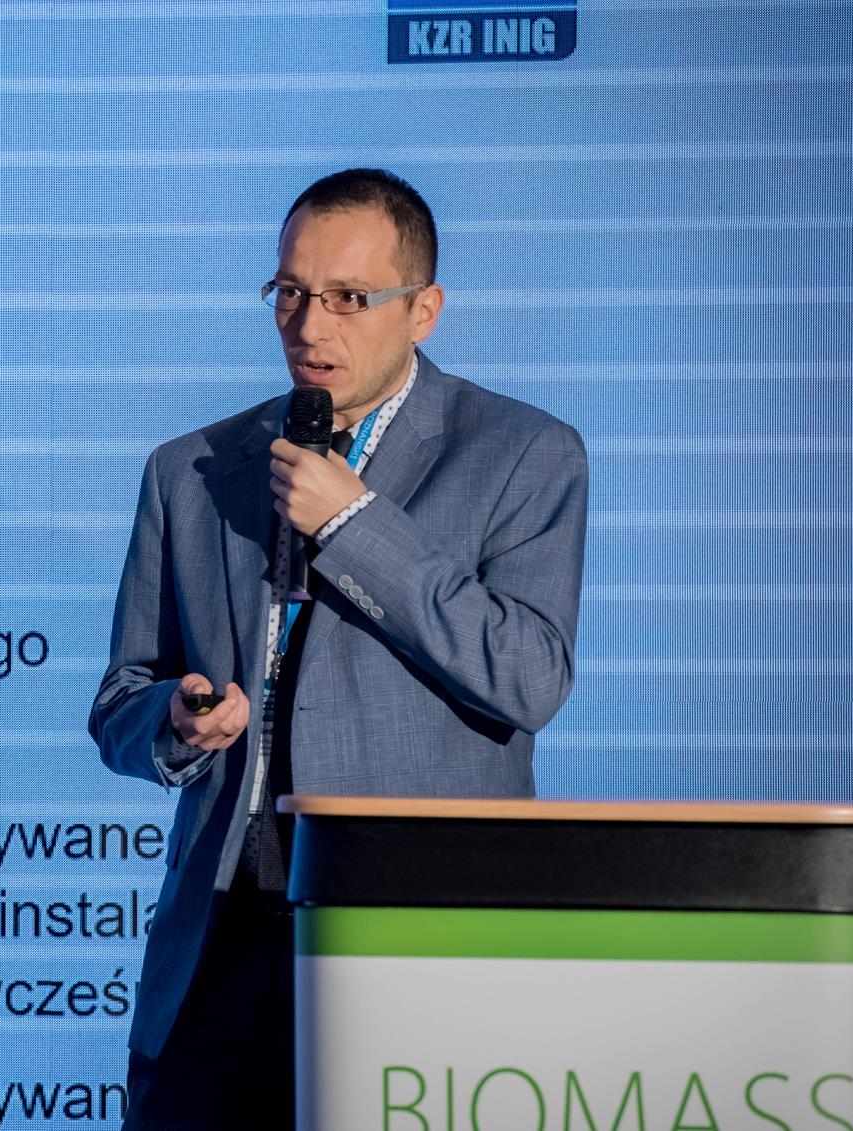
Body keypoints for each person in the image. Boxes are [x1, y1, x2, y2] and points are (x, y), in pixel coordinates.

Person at [90, 168, 588, 1128]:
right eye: (290, 291)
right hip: (221, 942)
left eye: (349, 298)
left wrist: (354, 523)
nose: (309, 325)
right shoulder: (191, 470)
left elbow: (529, 675)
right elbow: (121, 699)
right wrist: (179, 721)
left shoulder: (525, 453)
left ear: (423, 310)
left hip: (416, 944)